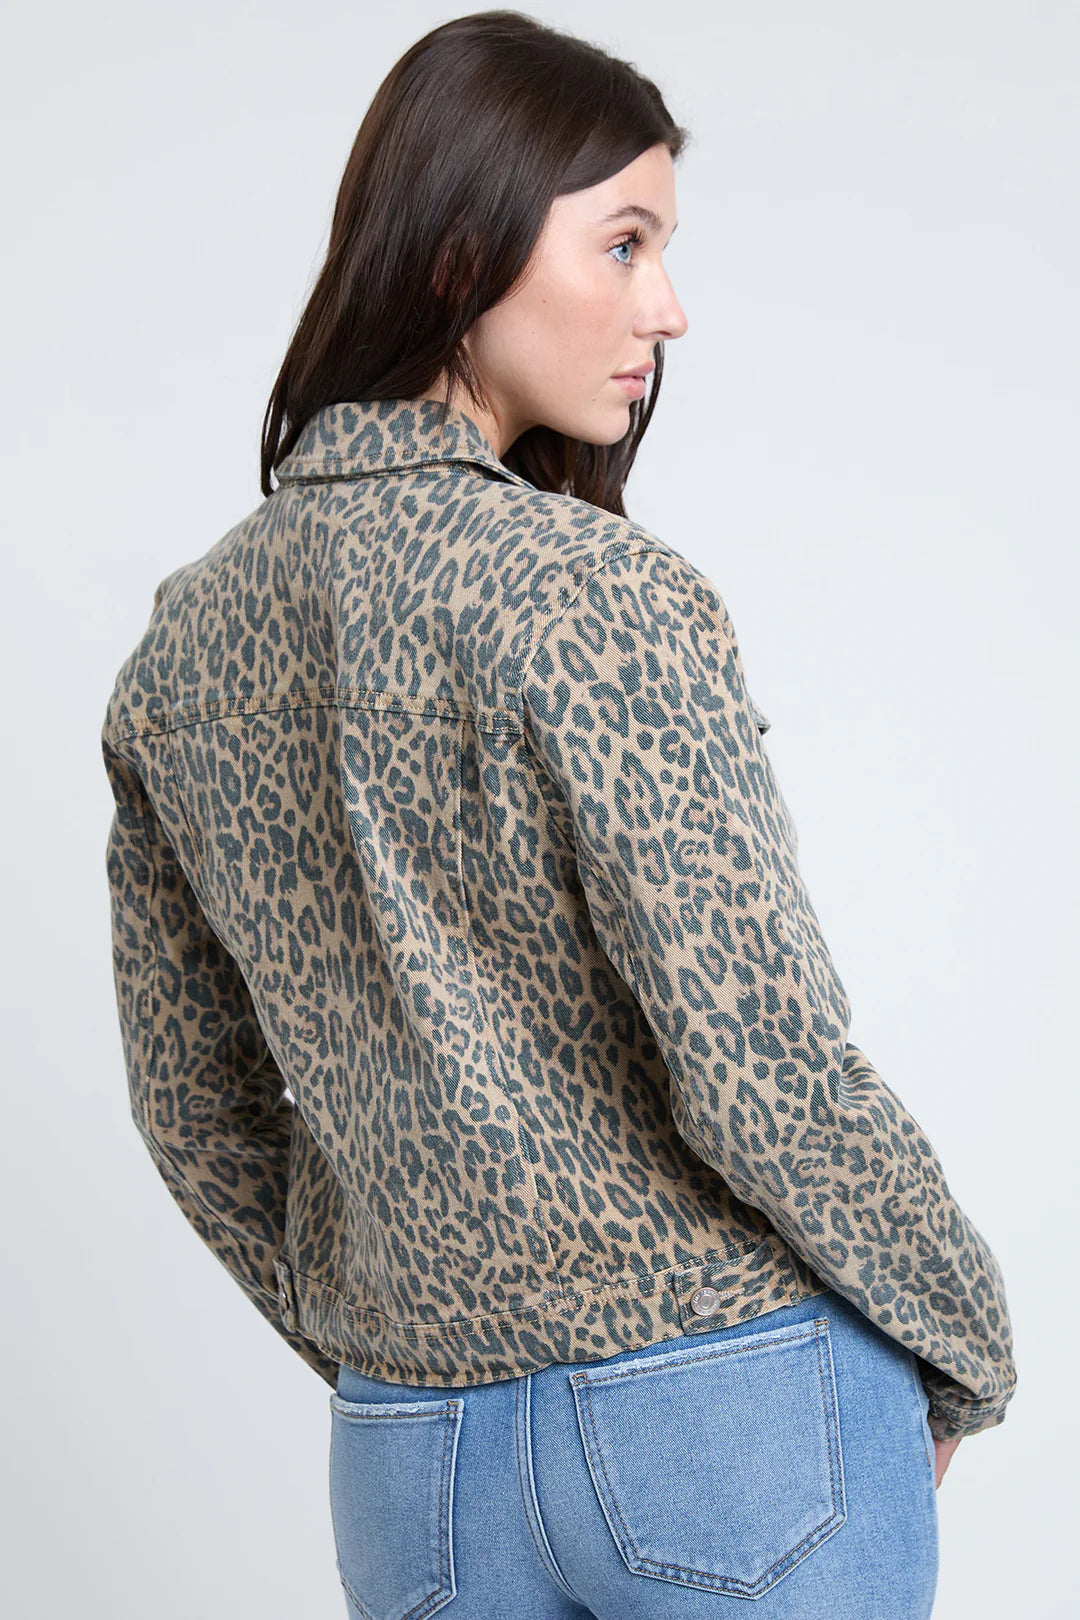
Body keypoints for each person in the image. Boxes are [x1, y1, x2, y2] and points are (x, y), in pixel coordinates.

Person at [100, 11, 1016, 1618]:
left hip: (414, 1462)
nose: (668, 307)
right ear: (461, 248)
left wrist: (389, 1334)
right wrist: (964, 1337)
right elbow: (761, 1063)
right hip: (727, 1414)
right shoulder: (595, 596)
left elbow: (192, 1107)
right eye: (625, 242)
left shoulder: (183, 648)